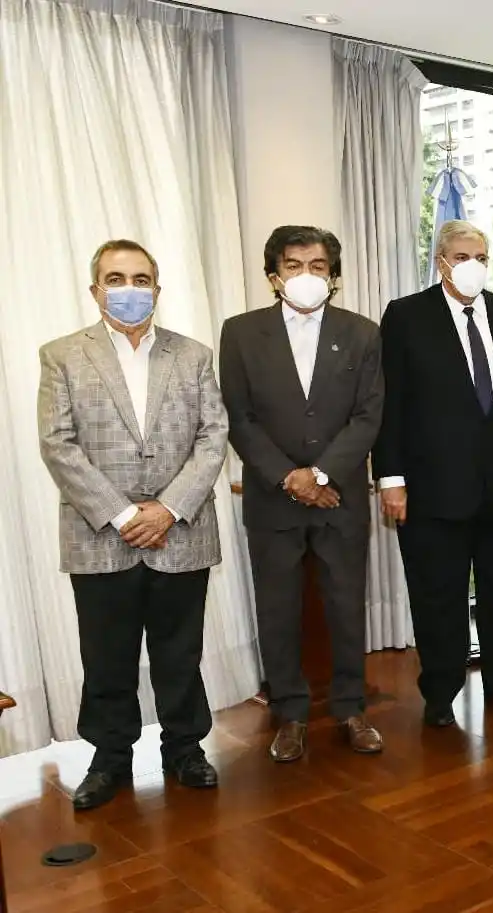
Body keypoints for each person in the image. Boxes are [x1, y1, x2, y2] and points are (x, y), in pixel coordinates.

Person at [38, 240, 228, 810]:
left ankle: (185, 749)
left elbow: (212, 436)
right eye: (115, 278)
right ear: (95, 290)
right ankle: (110, 758)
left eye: (140, 278)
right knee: (106, 655)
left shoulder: (192, 356)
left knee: (179, 653)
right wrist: (124, 515)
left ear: (157, 289)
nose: (129, 289)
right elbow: (57, 444)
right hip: (100, 534)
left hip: (181, 530)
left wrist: (169, 508)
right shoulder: (62, 355)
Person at [373, 220, 493, 725]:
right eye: (460, 256)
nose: (471, 264)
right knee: (439, 595)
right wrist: (391, 479)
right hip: (433, 489)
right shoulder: (407, 317)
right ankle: (441, 693)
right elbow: (390, 404)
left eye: (480, 256)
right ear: (441, 260)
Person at [218, 226, 384, 762]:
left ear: (333, 277)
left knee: (344, 606)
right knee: (278, 610)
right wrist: (289, 477)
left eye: (317, 266)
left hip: (341, 500)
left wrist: (323, 476)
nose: (305, 275)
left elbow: (367, 416)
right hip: (273, 499)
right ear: (273, 275)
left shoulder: (362, 333)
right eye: (293, 265)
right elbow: (238, 418)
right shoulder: (241, 333)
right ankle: (288, 715)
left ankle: (351, 709)